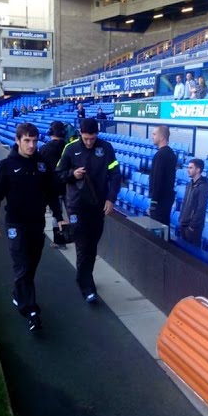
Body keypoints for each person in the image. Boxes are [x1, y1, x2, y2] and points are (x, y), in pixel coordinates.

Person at [0, 123, 66, 332]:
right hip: (15, 224)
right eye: (27, 141)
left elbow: (51, 192)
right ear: (17, 140)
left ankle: (18, 294)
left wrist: (59, 217)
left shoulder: (42, 165)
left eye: (34, 141)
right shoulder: (6, 165)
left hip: (36, 223)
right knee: (21, 265)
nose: (31, 145)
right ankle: (31, 311)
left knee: (30, 266)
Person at [55, 119, 122, 304]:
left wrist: (111, 199)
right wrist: (72, 174)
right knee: (83, 244)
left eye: (92, 138)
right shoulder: (70, 148)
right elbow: (58, 174)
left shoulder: (106, 148)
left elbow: (115, 175)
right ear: (81, 134)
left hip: (98, 205)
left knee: (91, 245)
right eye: (86, 138)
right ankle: (87, 287)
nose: (89, 142)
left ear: (97, 135)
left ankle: (83, 277)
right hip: (76, 205)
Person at [39, 121, 69, 249]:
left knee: (57, 214)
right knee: (72, 214)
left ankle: (59, 241)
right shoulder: (70, 147)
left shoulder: (44, 149)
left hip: (52, 187)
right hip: (69, 186)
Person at [149, 125, 178, 225]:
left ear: (161, 137)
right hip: (166, 200)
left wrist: (153, 202)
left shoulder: (160, 155)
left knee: (158, 230)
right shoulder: (171, 153)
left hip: (160, 202)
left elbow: (157, 180)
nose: (152, 136)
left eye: (154, 134)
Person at [178, 159, 208, 245]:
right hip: (184, 223)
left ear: (198, 170)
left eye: (191, 168)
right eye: (188, 167)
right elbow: (185, 203)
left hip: (193, 227)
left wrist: (192, 226)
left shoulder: (203, 186)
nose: (188, 170)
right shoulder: (189, 184)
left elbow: (201, 208)